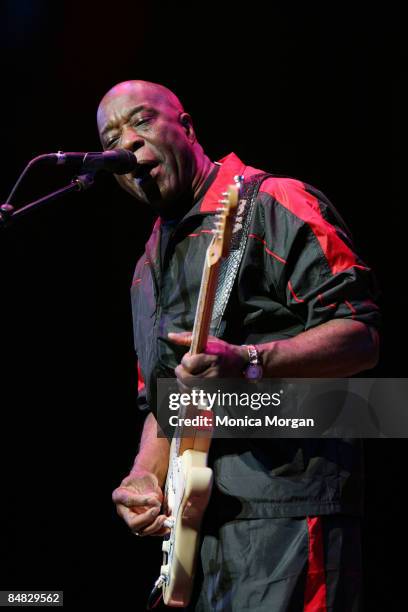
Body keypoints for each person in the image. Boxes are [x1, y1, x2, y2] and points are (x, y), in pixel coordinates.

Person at [97, 79, 380, 611]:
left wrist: (250, 361)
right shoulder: (144, 269)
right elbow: (165, 401)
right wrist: (143, 475)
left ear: (187, 127)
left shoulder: (275, 202)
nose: (125, 144)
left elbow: (361, 336)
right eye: (111, 135)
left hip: (290, 514)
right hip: (200, 542)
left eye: (140, 121)